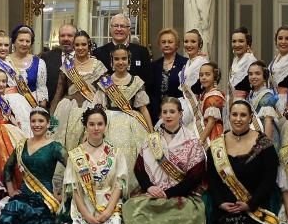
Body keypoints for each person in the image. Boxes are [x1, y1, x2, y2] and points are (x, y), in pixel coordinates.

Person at [123, 98, 208, 224]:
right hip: (152, 193)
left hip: (181, 195)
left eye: (172, 112)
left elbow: (195, 176)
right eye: (165, 112)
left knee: (187, 216)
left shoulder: (192, 141)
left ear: (180, 114)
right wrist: (149, 187)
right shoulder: (151, 139)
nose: (168, 116)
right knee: (132, 209)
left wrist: (168, 193)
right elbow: (139, 169)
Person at [201, 100, 281, 224]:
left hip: (256, 205)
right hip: (224, 207)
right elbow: (213, 179)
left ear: (251, 118)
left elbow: (269, 179)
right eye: (234, 114)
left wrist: (250, 204)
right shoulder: (217, 145)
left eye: (243, 115)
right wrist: (221, 203)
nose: (238, 119)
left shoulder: (264, 144)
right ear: (229, 117)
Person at [58, 106, 128, 224]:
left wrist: (108, 211)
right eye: (91, 124)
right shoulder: (76, 154)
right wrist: (86, 215)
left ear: (105, 126)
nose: (96, 128)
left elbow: (119, 184)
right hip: (84, 203)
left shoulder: (116, 153)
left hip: (109, 202)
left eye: (100, 124)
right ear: (85, 126)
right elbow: (73, 188)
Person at [98, 46, 153, 189]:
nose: (120, 62)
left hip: (132, 121)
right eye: (116, 59)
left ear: (129, 61)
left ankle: (130, 189)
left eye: (124, 59)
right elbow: (99, 108)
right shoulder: (105, 81)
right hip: (109, 121)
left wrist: (151, 132)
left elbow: (143, 108)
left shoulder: (136, 81)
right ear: (111, 61)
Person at [50, 31, 107, 152]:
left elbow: (106, 91)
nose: (80, 48)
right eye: (77, 45)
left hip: (92, 108)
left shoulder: (98, 65)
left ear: (89, 45)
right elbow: (58, 93)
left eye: (84, 44)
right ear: (73, 46)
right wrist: (50, 116)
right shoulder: (67, 66)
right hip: (67, 109)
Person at [0, 68, 28, 181]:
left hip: (9, 128)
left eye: (4, 81)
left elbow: (9, 115)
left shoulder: (3, 98)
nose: (1, 84)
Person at [0, 30, 34, 133]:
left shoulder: (9, 62)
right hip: (3, 101)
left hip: (19, 100)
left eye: (6, 45)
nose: (3, 48)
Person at [93, 14, 152, 91]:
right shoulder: (98, 53)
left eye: (123, 26)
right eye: (116, 26)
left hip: (136, 99)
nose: (119, 29)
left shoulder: (141, 52)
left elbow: (148, 80)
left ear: (129, 30)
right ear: (110, 29)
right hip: (107, 99)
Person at [149, 28, 189, 123]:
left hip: (179, 113)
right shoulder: (154, 65)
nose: (166, 44)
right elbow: (151, 92)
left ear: (177, 45)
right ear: (159, 45)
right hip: (158, 114)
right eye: (163, 42)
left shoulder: (185, 63)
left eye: (170, 42)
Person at [7, 25, 49, 110]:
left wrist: (41, 110)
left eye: (27, 41)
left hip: (32, 105)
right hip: (9, 105)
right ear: (14, 42)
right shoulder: (5, 61)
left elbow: (41, 88)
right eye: (21, 40)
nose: (24, 44)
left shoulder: (39, 62)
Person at [246, 61, 281, 147]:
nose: (253, 77)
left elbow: (268, 121)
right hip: (252, 134)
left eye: (257, 74)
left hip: (265, 133)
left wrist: (266, 146)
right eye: (250, 74)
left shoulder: (267, 96)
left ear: (264, 77)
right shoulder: (251, 94)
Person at [191, 63, 226, 143]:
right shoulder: (204, 93)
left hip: (212, 133)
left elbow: (211, 122)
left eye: (207, 74)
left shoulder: (214, 96)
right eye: (201, 75)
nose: (204, 77)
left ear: (215, 77)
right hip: (203, 129)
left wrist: (201, 140)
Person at [41, 24, 77, 101]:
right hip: (51, 105)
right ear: (58, 38)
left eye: (70, 36)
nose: (65, 39)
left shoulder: (83, 58)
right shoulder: (46, 57)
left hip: (76, 105)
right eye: (62, 36)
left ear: (76, 38)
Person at [269, 26, 288, 111]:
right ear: (276, 41)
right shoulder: (274, 60)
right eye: (280, 38)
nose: (283, 42)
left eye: (287, 39)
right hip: (273, 100)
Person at [228, 27, 258, 99]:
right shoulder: (236, 60)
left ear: (247, 43)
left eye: (241, 41)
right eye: (234, 41)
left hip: (245, 103)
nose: (237, 45)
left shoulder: (250, 60)